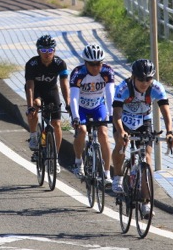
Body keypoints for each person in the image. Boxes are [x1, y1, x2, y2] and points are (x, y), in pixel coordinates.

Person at [111, 59, 173, 218]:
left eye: (148, 79)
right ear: (133, 77)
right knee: (121, 143)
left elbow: (165, 111)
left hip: (143, 121)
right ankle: (118, 176)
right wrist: (121, 132)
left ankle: (146, 203)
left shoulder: (156, 88)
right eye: (141, 79)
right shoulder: (123, 88)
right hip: (123, 120)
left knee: (146, 159)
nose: (144, 83)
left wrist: (169, 132)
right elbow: (117, 114)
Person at [68, 43, 115, 184]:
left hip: (97, 106)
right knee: (81, 130)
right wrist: (76, 117)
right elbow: (74, 97)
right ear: (85, 63)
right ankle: (78, 162)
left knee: (103, 134)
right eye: (92, 64)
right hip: (81, 107)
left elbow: (110, 94)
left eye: (98, 64)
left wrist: (112, 114)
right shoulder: (78, 73)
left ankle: (107, 174)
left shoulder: (107, 72)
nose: (95, 68)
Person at [24, 34, 71, 172]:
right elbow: (30, 86)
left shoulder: (60, 63)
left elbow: (64, 85)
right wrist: (30, 107)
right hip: (36, 91)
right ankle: (33, 136)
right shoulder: (31, 64)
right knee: (35, 106)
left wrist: (68, 103)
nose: (47, 54)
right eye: (43, 51)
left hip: (51, 91)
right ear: (38, 51)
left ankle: (55, 158)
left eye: (49, 50)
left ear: (54, 51)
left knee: (56, 124)